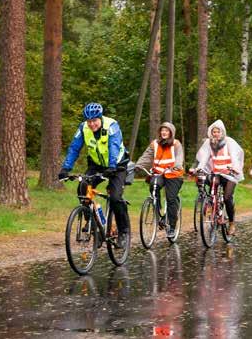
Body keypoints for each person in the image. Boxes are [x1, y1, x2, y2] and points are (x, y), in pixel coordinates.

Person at [58, 102, 130, 246]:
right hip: (96, 165)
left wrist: (112, 166)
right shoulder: (83, 128)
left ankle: (124, 231)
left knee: (115, 198)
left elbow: (114, 146)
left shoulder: (111, 126)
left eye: (94, 121)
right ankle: (92, 223)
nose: (91, 124)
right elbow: (74, 148)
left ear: (100, 117)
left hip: (117, 165)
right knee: (83, 187)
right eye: (89, 121)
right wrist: (65, 168)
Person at [195, 120, 244, 235]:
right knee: (212, 189)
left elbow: (235, 156)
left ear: (222, 132)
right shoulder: (209, 143)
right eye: (213, 132)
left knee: (227, 198)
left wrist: (235, 168)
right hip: (216, 173)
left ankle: (231, 223)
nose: (215, 134)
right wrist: (199, 168)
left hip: (230, 174)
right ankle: (214, 208)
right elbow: (204, 158)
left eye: (217, 132)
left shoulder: (229, 142)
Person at [135, 122, 184, 237]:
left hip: (174, 174)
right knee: (153, 187)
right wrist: (139, 165)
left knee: (171, 198)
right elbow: (147, 156)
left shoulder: (176, 144)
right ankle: (158, 213)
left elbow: (179, 156)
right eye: (162, 130)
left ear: (171, 133)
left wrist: (177, 165)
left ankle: (171, 226)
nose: (164, 132)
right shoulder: (155, 144)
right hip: (159, 173)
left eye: (167, 131)